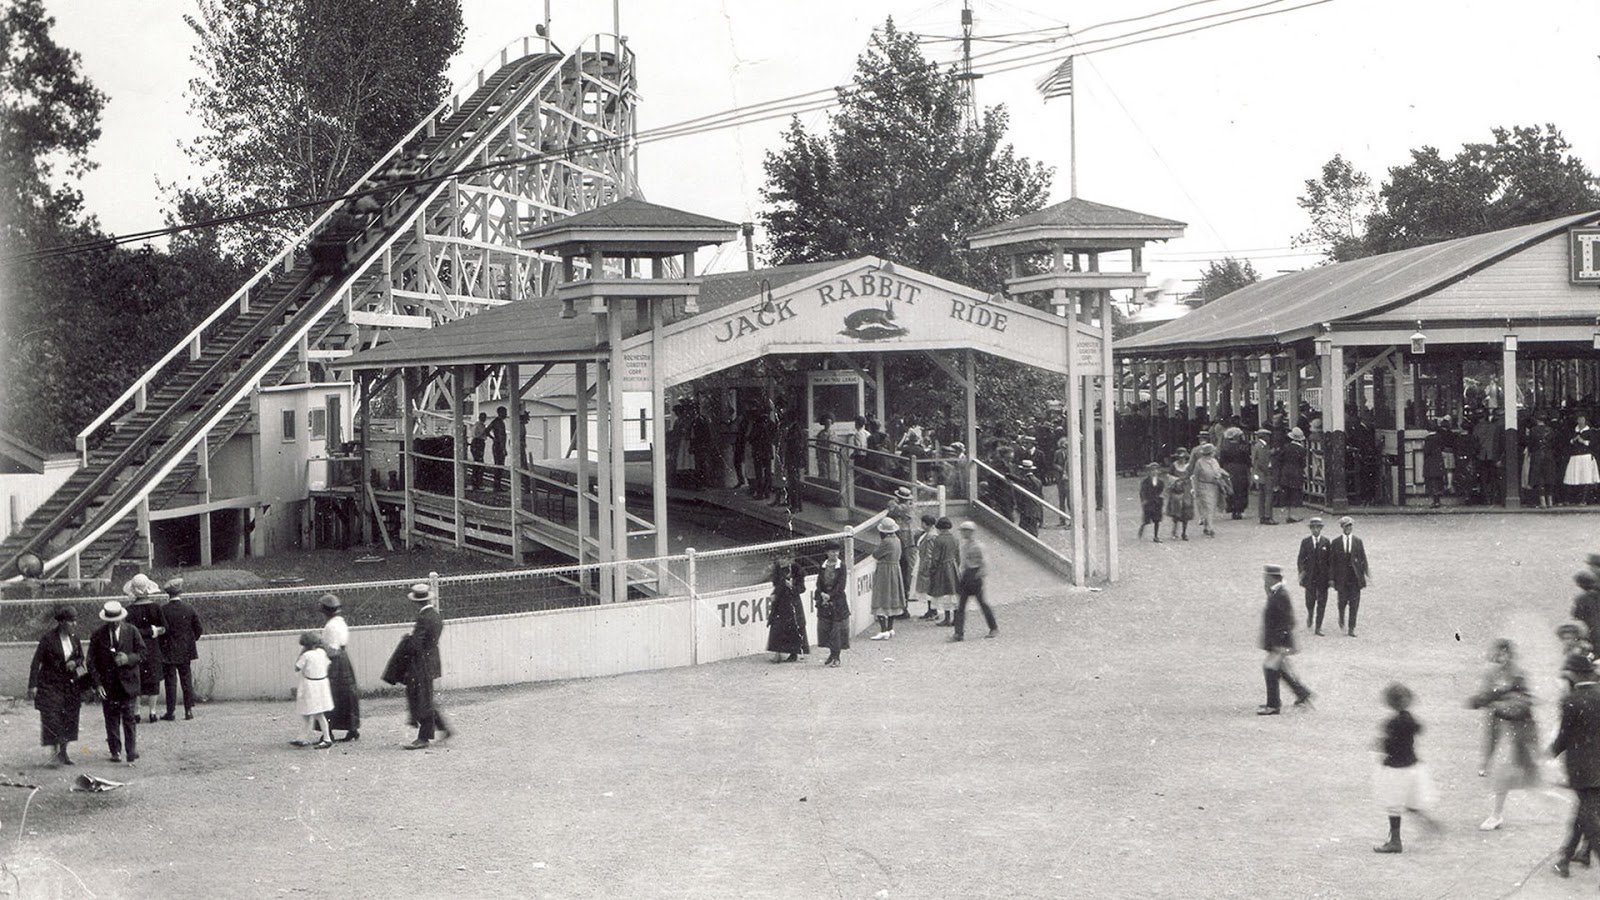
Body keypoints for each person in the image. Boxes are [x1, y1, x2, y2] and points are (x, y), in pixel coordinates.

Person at [1468, 638, 1540, 831]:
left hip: (1515, 728)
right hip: (1499, 726)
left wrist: (1502, 703)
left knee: (1509, 769)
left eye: (1504, 653)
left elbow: (1526, 701)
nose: (1501, 657)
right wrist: (1481, 700)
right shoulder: (1491, 673)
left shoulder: (1518, 674)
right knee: (1504, 768)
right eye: (1498, 653)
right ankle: (1497, 813)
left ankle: (1496, 814)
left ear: (1510, 654)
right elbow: (1484, 696)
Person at [1371, 682, 1441, 853]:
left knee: (1393, 805)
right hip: (1412, 766)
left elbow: (1388, 746)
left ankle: (1395, 841)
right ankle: (1428, 822)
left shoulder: (1391, 723)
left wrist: (1381, 743)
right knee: (1410, 801)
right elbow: (1419, 729)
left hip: (1395, 768)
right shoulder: (1411, 720)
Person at [1549, 653, 1600, 881]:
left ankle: (1567, 859)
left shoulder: (1571, 700)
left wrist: (1548, 754)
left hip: (1582, 769)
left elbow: (1564, 737)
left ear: (1574, 674)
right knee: (1583, 812)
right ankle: (1566, 859)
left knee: (1589, 820)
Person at [28, 607, 87, 766]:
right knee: (52, 717)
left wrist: (75, 662)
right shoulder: (48, 639)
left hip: (70, 685)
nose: (74, 624)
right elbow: (36, 662)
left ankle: (63, 752)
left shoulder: (75, 639)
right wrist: (32, 685)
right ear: (61, 622)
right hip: (50, 684)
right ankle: (55, 751)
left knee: (69, 717)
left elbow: (81, 657)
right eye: (70, 621)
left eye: (75, 620)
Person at [88, 600, 144, 764]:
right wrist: (98, 684)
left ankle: (131, 751)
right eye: (111, 621)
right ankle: (115, 751)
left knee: (129, 717)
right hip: (108, 684)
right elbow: (91, 661)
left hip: (129, 683)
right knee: (111, 718)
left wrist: (128, 659)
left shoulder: (132, 631)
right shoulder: (98, 635)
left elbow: (143, 653)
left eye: (117, 621)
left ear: (121, 618)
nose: (114, 624)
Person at [1257, 565, 1313, 715]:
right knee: (1278, 668)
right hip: (1278, 641)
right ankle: (1302, 693)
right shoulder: (1277, 592)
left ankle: (1273, 705)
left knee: (1270, 668)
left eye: (1266, 577)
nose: (1264, 580)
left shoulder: (1280, 595)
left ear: (1272, 578)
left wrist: (1279, 644)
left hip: (1280, 642)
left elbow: (1287, 621)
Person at [403, 582, 452, 750]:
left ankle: (424, 737)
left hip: (421, 663)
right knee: (426, 697)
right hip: (432, 661)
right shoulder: (435, 616)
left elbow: (416, 644)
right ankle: (444, 729)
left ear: (416, 602)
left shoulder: (423, 618)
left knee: (421, 698)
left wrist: (407, 641)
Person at [123, 574, 168, 725]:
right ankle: (152, 712)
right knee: (153, 680)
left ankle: (137, 712)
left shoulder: (129, 610)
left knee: (137, 678)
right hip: (153, 647)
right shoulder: (156, 608)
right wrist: (153, 631)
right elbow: (164, 628)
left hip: (136, 648)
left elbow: (127, 631)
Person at [158, 577, 203, 721]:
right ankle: (188, 710)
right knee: (186, 680)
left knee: (170, 682)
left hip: (168, 650)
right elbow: (198, 628)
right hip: (185, 649)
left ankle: (170, 712)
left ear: (168, 594)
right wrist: (190, 640)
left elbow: (161, 630)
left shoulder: (163, 610)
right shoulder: (189, 608)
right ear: (180, 592)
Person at [319, 593, 360, 742]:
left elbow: (332, 649)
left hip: (334, 661)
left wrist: (320, 645)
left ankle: (328, 732)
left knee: (330, 694)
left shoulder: (330, 627)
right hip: (343, 659)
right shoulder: (341, 622)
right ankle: (352, 729)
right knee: (347, 693)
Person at [952, 521, 997, 642]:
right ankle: (959, 633)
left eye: (964, 531)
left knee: (982, 603)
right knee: (961, 605)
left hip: (975, 574)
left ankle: (993, 627)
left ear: (970, 532)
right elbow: (963, 563)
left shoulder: (978, 546)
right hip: (966, 574)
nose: (962, 533)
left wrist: (979, 575)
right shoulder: (964, 546)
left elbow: (985, 563)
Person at [1329, 515, 1371, 637]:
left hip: (1354, 578)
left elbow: (1363, 558)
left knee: (1354, 603)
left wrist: (1366, 574)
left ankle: (1351, 628)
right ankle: (1341, 616)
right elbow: (1331, 562)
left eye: (1350, 526)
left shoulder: (1358, 541)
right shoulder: (1335, 542)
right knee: (1342, 602)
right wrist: (1331, 578)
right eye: (1346, 526)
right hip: (1341, 578)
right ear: (1342, 527)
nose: (1348, 528)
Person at [291, 632, 334, 750]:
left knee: (317, 713)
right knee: (308, 712)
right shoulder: (322, 652)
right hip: (321, 684)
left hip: (310, 686)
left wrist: (302, 653)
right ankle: (302, 738)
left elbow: (296, 667)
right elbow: (327, 664)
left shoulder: (306, 655)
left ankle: (327, 739)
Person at [765, 556, 809, 663]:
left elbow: (802, 589)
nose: (781, 560)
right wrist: (774, 594)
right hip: (780, 602)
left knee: (793, 626)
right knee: (776, 626)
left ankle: (794, 653)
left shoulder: (796, 570)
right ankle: (777, 653)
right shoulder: (778, 570)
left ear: (789, 559)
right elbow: (777, 586)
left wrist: (792, 587)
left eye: (784, 558)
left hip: (792, 603)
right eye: (780, 558)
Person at [813, 543, 849, 667]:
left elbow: (841, 585)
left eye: (837, 551)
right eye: (832, 551)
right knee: (826, 629)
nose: (835, 554)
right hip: (824, 601)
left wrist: (830, 595)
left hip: (838, 602)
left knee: (836, 630)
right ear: (827, 552)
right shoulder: (822, 566)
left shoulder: (842, 566)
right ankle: (831, 654)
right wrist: (822, 594)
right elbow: (819, 582)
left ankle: (837, 657)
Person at [869, 519, 906, 640]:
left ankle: (883, 630)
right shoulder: (897, 540)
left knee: (880, 597)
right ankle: (890, 628)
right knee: (892, 597)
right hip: (895, 569)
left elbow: (876, 554)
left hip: (885, 570)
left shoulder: (886, 542)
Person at [1296, 518, 1332, 635]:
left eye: (1318, 527)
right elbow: (1300, 559)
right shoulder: (1305, 542)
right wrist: (1302, 572)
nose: (1316, 530)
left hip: (1323, 577)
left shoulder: (1326, 542)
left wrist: (1331, 577)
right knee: (1309, 601)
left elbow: (1330, 561)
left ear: (1321, 528)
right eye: (1313, 527)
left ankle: (1318, 627)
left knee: (1322, 602)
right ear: (1310, 529)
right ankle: (1310, 613)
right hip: (1310, 577)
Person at [925, 517, 960, 627]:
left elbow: (935, 558)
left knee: (944, 592)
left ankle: (947, 618)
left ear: (939, 527)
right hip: (953, 566)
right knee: (953, 591)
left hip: (942, 567)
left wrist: (932, 570)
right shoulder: (955, 538)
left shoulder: (939, 540)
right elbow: (958, 555)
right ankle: (956, 618)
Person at [1191, 443, 1227, 538]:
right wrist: (1196, 489)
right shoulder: (1199, 463)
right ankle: (1210, 528)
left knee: (1212, 507)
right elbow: (1196, 476)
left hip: (1214, 486)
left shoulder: (1214, 461)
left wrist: (1219, 475)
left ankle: (1206, 526)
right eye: (1213, 452)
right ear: (1209, 453)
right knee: (1208, 507)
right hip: (1203, 486)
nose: (1214, 453)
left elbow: (1218, 470)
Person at [1563, 414, 1599, 505]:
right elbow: (1568, 442)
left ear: (1585, 421)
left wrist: (1582, 441)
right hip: (1575, 457)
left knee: (1586, 477)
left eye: (1582, 419)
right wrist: (1574, 439)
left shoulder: (1590, 431)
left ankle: (1584, 500)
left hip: (1585, 457)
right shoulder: (1573, 431)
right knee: (1572, 477)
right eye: (1579, 419)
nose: (1581, 421)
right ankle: (1570, 499)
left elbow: (1593, 444)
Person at [1220, 427, 1252, 520]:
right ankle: (1239, 510)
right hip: (1241, 469)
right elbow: (1247, 460)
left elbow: (1222, 461)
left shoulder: (1225, 448)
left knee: (1231, 489)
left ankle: (1232, 508)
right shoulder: (1242, 447)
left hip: (1228, 469)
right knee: (1241, 489)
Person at [910, 513, 939, 619]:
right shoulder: (928, 534)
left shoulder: (930, 537)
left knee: (927, 587)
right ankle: (931, 610)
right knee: (927, 587)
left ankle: (932, 611)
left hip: (926, 563)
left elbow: (929, 553)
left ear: (926, 524)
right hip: (923, 560)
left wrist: (926, 566)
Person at [1277, 428, 1307, 523]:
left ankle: (1288, 514)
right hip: (1296, 473)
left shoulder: (1286, 447)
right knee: (1295, 494)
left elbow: (1279, 459)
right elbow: (1303, 463)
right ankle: (1293, 515)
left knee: (1287, 492)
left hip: (1286, 472)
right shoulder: (1302, 450)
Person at [1164, 450, 1194, 541]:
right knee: (1176, 512)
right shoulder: (1174, 466)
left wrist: (1192, 487)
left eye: (1183, 458)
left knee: (1186, 511)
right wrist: (1176, 480)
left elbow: (1192, 477)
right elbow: (1168, 476)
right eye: (1180, 457)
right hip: (1176, 491)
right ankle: (1174, 531)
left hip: (1186, 490)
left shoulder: (1188, 466)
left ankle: (1184, 533)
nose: (1182, 459)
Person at [1251, 427, 1278, 524]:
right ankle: (1267, 516)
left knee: (1262, 495)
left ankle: (1262, 515)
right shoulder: (1262, 446)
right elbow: (1262, 461)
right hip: (1265, 473)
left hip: (1260, 474)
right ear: (1264, 436)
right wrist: (1268, 471)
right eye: (1268, 436)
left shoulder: (1258, 445)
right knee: (1268, 495)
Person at [1013, 459, 1044, 537]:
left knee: (1024, 532)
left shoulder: (1027, 480)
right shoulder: (1038, 481)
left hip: (1027, 510)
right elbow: (1041, 497)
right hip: (1035, 510)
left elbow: (1018, 480)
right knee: (1033, 532)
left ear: (1023, 470)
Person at [1422, 417, 1447, 508]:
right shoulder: (1439, 437)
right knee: (1438, 480)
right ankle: (1438, 499)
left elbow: (1426, 451)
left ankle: (1435, 500)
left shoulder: (1428, 439)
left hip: (1430, 461)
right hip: (1438, 460)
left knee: (1432, 481)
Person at [1138, 462, 1166, 543]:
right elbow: (1142, 492)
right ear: (1149, 471)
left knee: (1157, 520)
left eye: (1156, 470)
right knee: (1147, 519)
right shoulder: (1145, 482)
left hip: (1157, 502)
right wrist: (1143, 500)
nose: (1154, 472)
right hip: (1149, 501)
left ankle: (1156, 536)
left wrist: (1161, 497)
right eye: (1152, 470)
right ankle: (1142, 526)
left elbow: (1162, 491)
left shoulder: (1160, 482)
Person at [487, 406, 509, 491]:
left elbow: (486, 431)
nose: (506, 414)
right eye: (505, 412)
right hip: (499, 446)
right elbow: (501, 437)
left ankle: (497, 485)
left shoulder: (495, 421)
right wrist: (503, 449)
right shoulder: (500, 423)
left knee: (497, 465)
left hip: (496, 445)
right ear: (500, 413)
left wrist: (493, 438)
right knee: (500, 465)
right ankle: (497, 486)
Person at [1051, 436, 1072, 526]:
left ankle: (1072, 520)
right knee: (1061, 500)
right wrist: (1058, 467)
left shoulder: (1072, 452)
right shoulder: (1057, 453)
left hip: (1069, 478)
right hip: (1060, 478)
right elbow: (1054, 463)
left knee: (1070, 500)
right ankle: (1062, 520)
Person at [469, 411, 488, 489]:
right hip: (478, 443)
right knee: (479, 463)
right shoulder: (478, 426)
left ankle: (476, 482)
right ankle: (477, 483)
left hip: (478, 443)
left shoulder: (479, 425)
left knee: (478, 463)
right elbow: (477, 434)